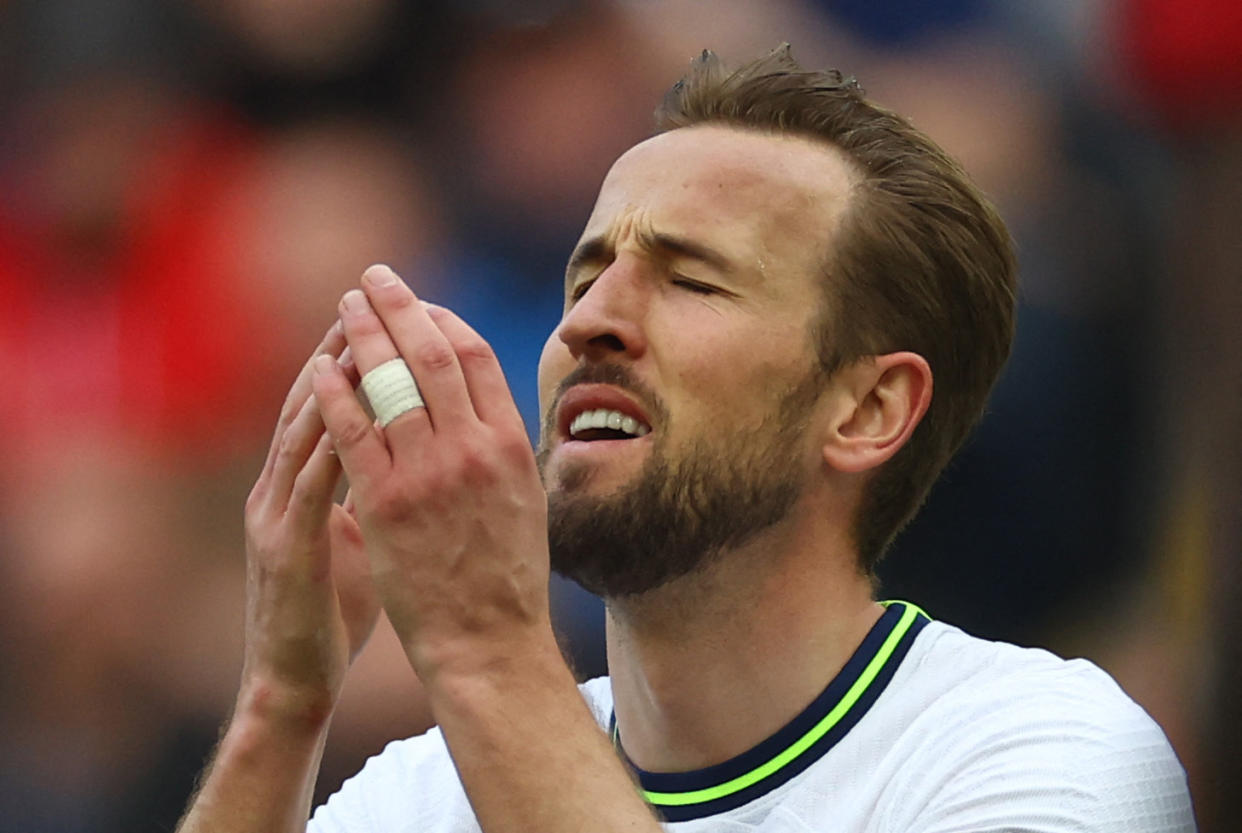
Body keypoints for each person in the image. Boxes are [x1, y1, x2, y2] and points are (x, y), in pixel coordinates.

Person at [177, 47, 1196, 832]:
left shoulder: (1044, 750)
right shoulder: (425, 787)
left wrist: (481, 643)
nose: (586, 321)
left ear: (869, 409)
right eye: (585, 275)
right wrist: (281, 702)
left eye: (693, 279)